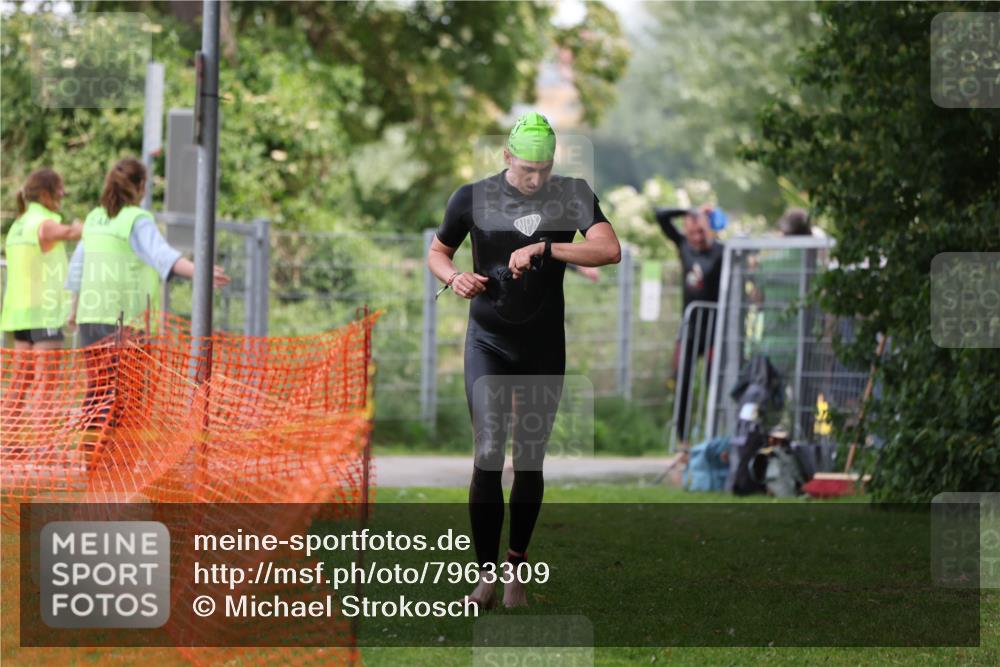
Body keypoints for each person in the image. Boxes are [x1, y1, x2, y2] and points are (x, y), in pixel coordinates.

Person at [427, 112, 620, 609]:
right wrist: (453, 278)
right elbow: (438, 252)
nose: (536, 178)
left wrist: (547, 248)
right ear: (507, 157)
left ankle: (516, 570)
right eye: (527, 168)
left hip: (541, 344)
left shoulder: (571, 194)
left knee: (528, 460)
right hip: (487, 341)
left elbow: (608, 249)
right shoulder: (471, 197)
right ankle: (485, 576)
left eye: (544, 167)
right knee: (488, 453)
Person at [66, 157, 229, 432]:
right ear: (141, 185)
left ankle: (93, 464)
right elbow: (162, 256)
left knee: (98, 392)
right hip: (125, 321)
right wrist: (200, 271)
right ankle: (114, 467)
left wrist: (73, 310)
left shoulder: (95, 218)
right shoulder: (137, 219)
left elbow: (77, 266)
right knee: (126, 397)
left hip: (90, 319)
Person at [1, 168, 82, 415]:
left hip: (20, 314)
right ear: (46, 194)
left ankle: (7, 445)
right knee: (45, 387)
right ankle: (41, 452)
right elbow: (69, 233)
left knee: (19, 383)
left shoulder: (19, 224)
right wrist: (82, 227)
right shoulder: (44, 223)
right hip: (45, 314)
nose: (63, 194)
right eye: (59, 189)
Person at [653, 205, 724, 464]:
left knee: (714, 384)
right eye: (693, 232)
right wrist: (688, 210)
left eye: (702, 231)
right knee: (683, 384)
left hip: (716, 331)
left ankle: (715, 439)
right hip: (690, 329)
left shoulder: (722, 252)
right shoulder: (684, 246)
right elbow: (660, 216)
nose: (698, 237)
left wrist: (708, 215)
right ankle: (683, 443)